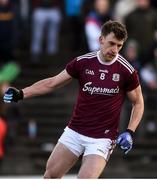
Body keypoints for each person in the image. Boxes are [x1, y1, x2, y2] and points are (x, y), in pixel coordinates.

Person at [3, 20, 144, 178]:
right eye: (112, 43)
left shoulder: (126, 70)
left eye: (119, 46)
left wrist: (130, 132)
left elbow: (138, 102)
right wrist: (21, 93)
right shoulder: (82, 62)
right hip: (75, 132)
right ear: (101, 39)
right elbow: (52, 83)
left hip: (102, 138)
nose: (115, 50)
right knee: (50, 175)